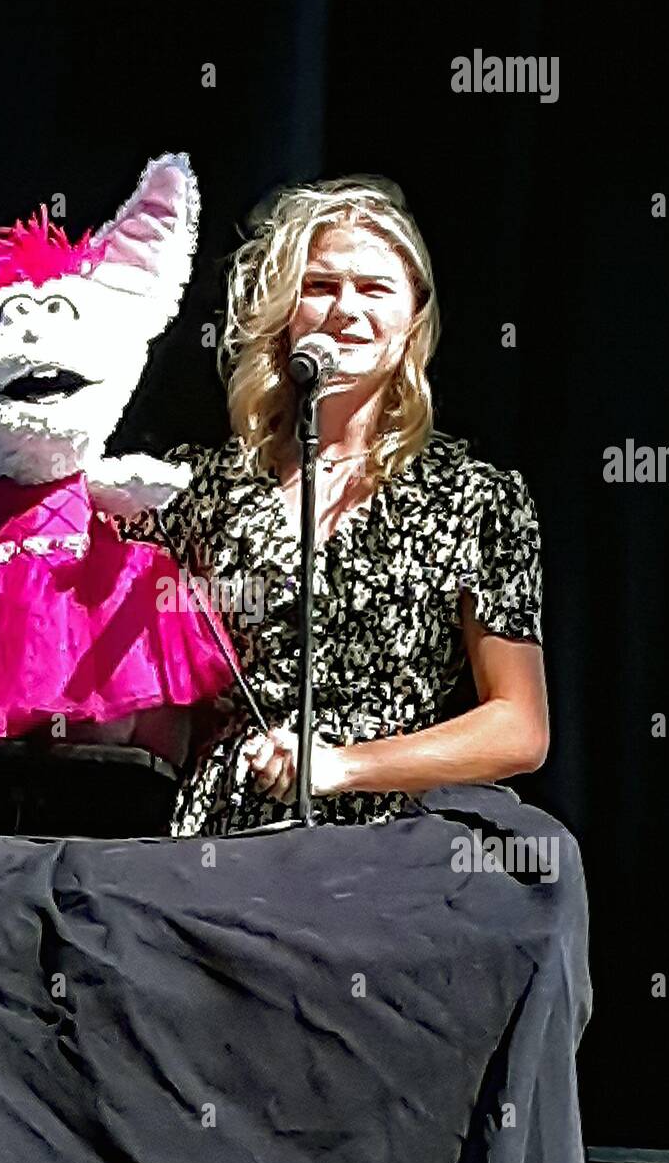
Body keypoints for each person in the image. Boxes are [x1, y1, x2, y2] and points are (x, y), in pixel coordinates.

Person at [116, 174, 549, 836]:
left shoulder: (477, 498)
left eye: (375, 288)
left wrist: (340, 766)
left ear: (412, 322)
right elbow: (149, 697)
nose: (347, 309)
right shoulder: (193, 488)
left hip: (394, 839)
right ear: (285, 314)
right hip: (225, 836)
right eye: (320, 286)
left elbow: (519, 726)